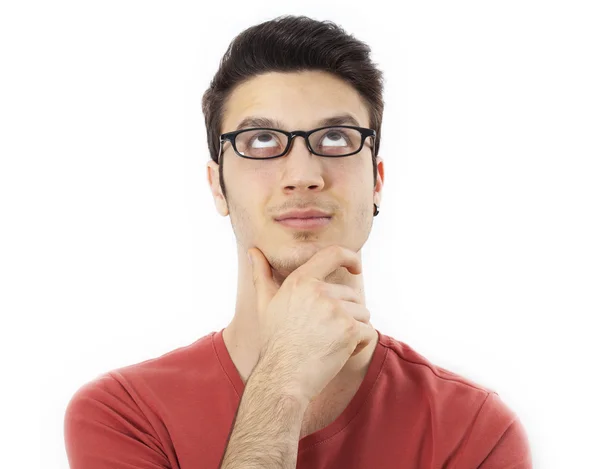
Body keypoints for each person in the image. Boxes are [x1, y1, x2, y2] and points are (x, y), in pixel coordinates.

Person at [64, 14, 532, 469]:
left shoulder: (475, 430)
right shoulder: (124, 415)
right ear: (216, 186)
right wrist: (282, 382)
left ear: (377, 183)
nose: (304, 175)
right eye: (262, 139)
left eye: (335, 137)